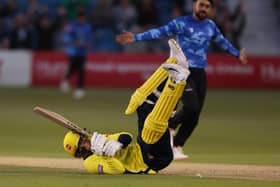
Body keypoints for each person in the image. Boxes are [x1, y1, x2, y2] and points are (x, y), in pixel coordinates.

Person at [115, 0, 248, 160]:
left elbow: (222, 42)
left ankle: (177, 146)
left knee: (195, 116)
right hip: (182, 71)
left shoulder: (211, 26)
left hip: (200, 73)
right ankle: (170, 125)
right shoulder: (182, 23)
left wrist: (236, 53)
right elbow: (160, 32)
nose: (204, 8)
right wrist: (136, 38)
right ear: (194, 6)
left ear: (210, 9)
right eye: (201, 5)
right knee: (191, 106)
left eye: (207, 6)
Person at [63, 39, 190, 174]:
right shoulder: (90, 163)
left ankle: (174, 61)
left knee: (140, 103)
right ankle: (178, 81)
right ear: (80, 151)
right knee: (150, 127)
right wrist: (105, 154)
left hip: (142, 149)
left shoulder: (98, 141)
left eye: (83, 137)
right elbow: (118, 169)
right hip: (149, 162)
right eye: (83, 141)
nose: (86, 139)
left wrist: (115, 143)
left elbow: (126, 136)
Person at [60, 7, 92, 99]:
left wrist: (87, 43)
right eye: (80, 18)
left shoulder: (87, 26)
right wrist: (74, 42)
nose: (82, 19)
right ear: (78, 18)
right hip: (73, 51)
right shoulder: (71, 25)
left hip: (82, 52)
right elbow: (66, 37)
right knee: (73, 67)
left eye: (83, 18)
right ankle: (66, 79)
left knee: (81, 69)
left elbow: (89, 38)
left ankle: (80, 88)